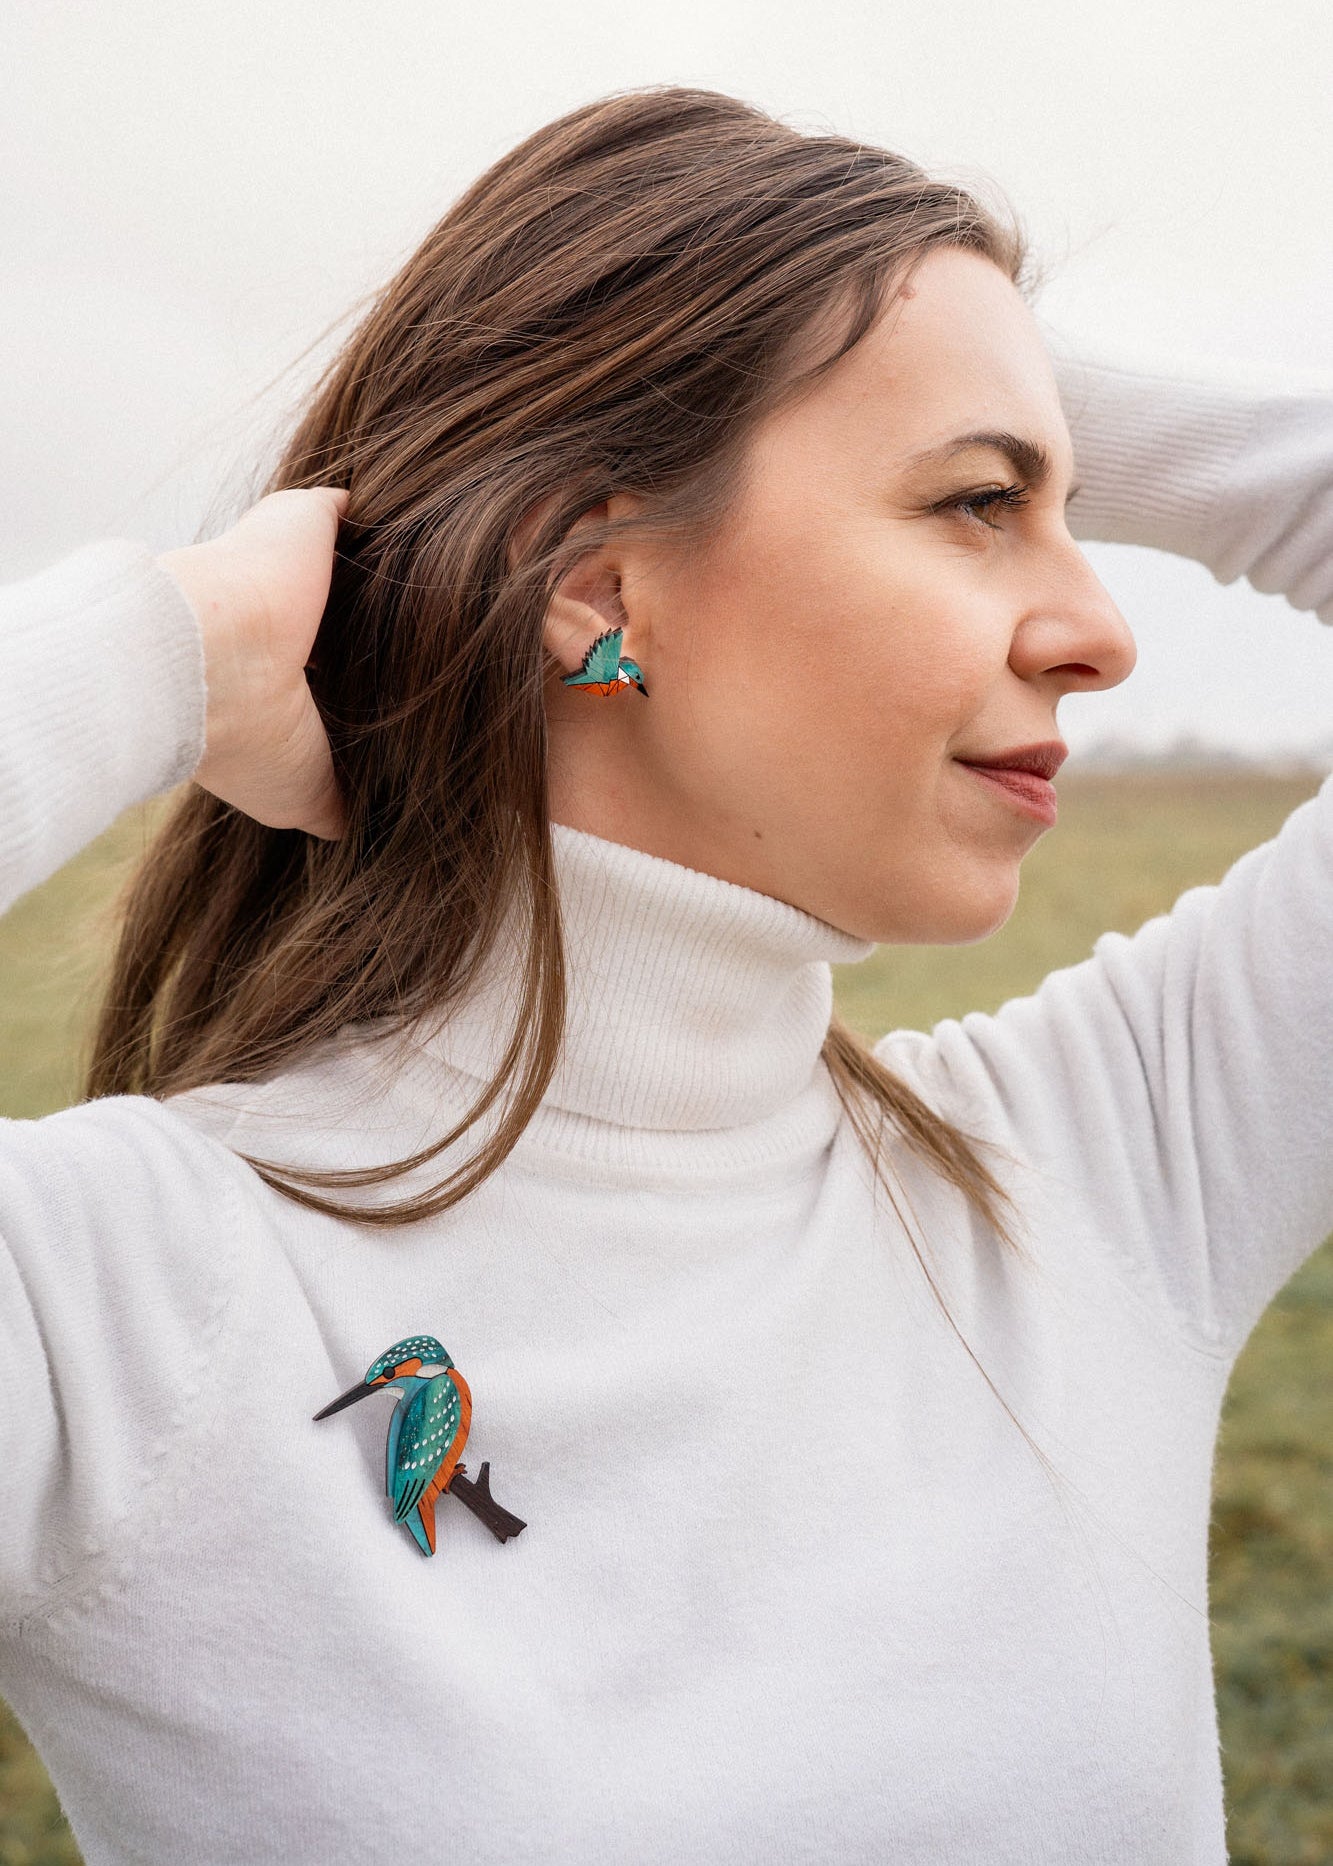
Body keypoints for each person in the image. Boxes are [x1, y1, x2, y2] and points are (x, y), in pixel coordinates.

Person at [1, 84, 1331, 1866]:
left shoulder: (1103, 1167)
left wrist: (958, 353)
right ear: (597, 583)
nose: (1096, 628)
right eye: (975, 505)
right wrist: (159, 651)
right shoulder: (117, 1302)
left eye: (1065, 505)